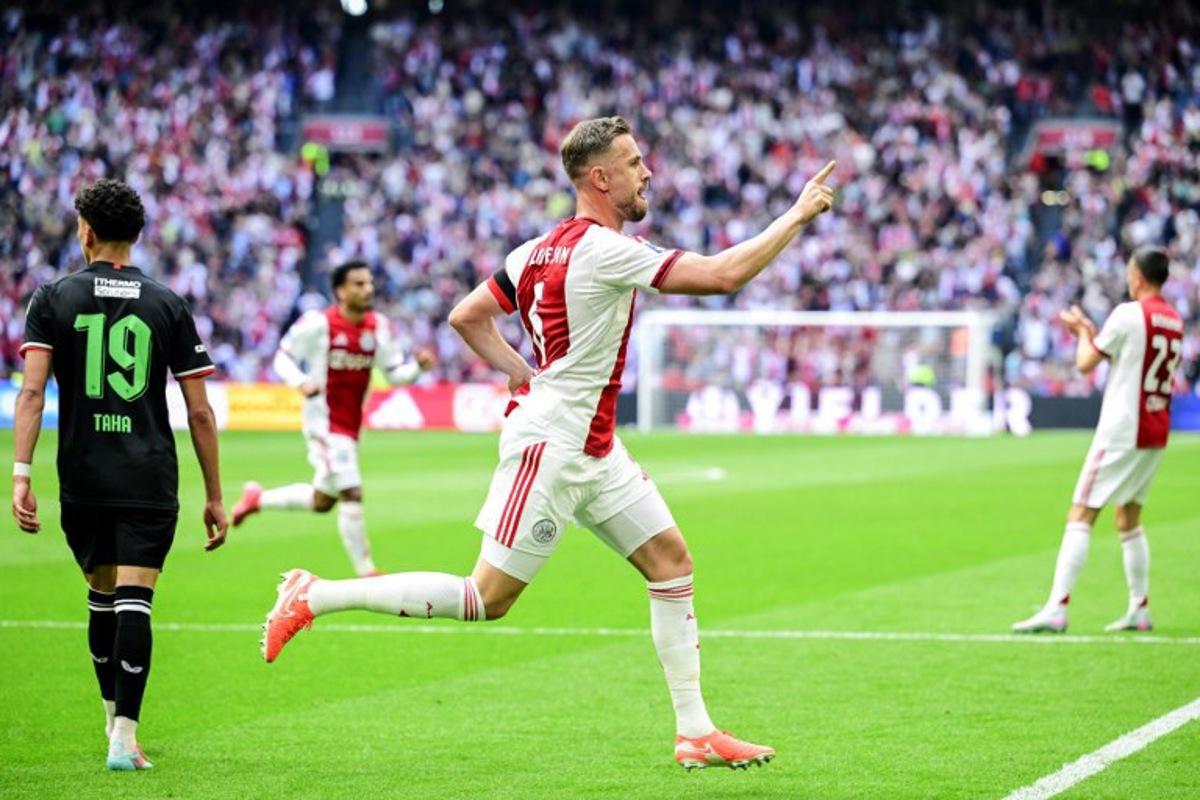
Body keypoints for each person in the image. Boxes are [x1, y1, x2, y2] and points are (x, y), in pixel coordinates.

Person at [261, 116, 836, 769]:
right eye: (635, 162)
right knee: (486, 598)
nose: (647, 172)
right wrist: (796, 215)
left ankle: (696, 732)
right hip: (552, 447)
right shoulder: (607, 249)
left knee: (671, 563)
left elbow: (466, 316)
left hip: (592, 446)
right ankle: (315, 594)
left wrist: (519, 371)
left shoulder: (534, 249)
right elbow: (723, 275)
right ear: (600, 177)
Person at [11, 179, 228, 770]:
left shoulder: (52, 298)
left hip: (82, 476)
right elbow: (200, 411)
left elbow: (30, 395)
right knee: (135, 600)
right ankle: (124, 737)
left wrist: (20, 474)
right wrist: (214, 495)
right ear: (137, 234)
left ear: (85, 230)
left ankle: (111, 720)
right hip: (147, 476)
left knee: (101, 597)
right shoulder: (167, 302)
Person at [1013, 247, 1183, 634]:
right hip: (1156, 427)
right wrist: (1091, 334)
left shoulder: (1128, 313)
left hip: (1123, 427)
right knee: (1129, 517)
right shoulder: (1174, 319)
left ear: (1137, 276)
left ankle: (1057, 606)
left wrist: (1081, 334)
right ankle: (1139, 608)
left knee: (1081, 512)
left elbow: (1085, 362)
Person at [229, 262, 435, 576]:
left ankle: (257, 499)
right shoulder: (318, 324)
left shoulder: (377, 326)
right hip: (322, 423)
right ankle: (366, 571)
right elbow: (282, 357)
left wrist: (418, 368)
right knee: (352, 491)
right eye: (358, 284)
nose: (367, 289)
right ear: (340, 291)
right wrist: (300, 381)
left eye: (369, 283)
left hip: (351, 426)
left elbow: (393, 374)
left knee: (322, 500)